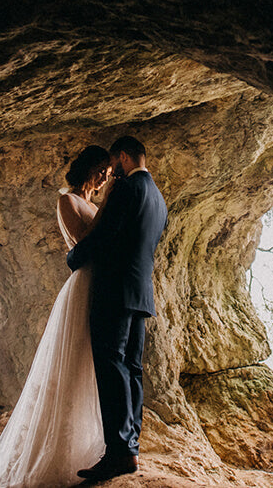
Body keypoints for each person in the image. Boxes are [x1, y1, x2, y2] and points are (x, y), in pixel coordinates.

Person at [0, 145, 113, 488]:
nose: (103, 177)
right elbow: (84, 241)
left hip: (101, 283)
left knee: (91, 367)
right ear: (87, 168)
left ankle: (85, 448)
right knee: (71, 364)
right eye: (100, 170)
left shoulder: (96, 205)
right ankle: (52, 454)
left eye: (107, 173)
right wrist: (110, 211)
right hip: (83, 282)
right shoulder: (67, 200)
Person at [67, 135, 168, 482]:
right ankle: (132, 448)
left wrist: (73, 258)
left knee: (111, 367)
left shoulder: (126, 190)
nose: (112, 175)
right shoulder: (159, 199)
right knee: (132, 369)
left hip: (113, 288)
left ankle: (118, 453)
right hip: (141, 293)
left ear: (123, 157)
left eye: (114, 166)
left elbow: (104, 236)